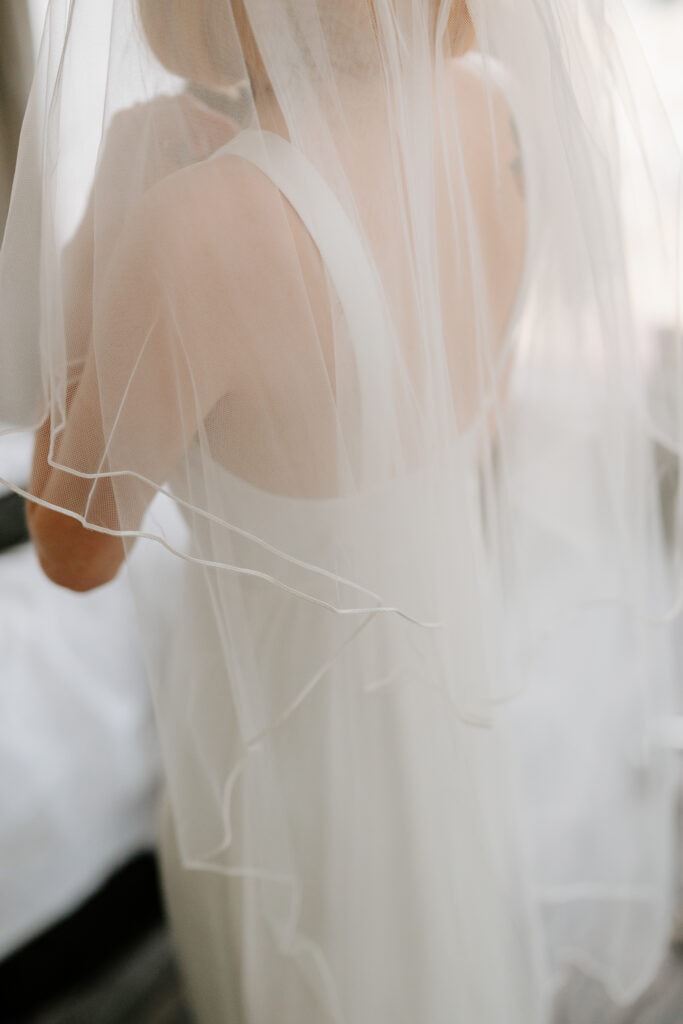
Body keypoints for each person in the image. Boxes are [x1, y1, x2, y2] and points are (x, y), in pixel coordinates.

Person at [1, 1, 682, 1021]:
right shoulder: (483, 118)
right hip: (440, 682)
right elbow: (474, 412)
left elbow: (77, 551)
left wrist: (109, 215)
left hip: (279, 722)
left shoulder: (190, 225)